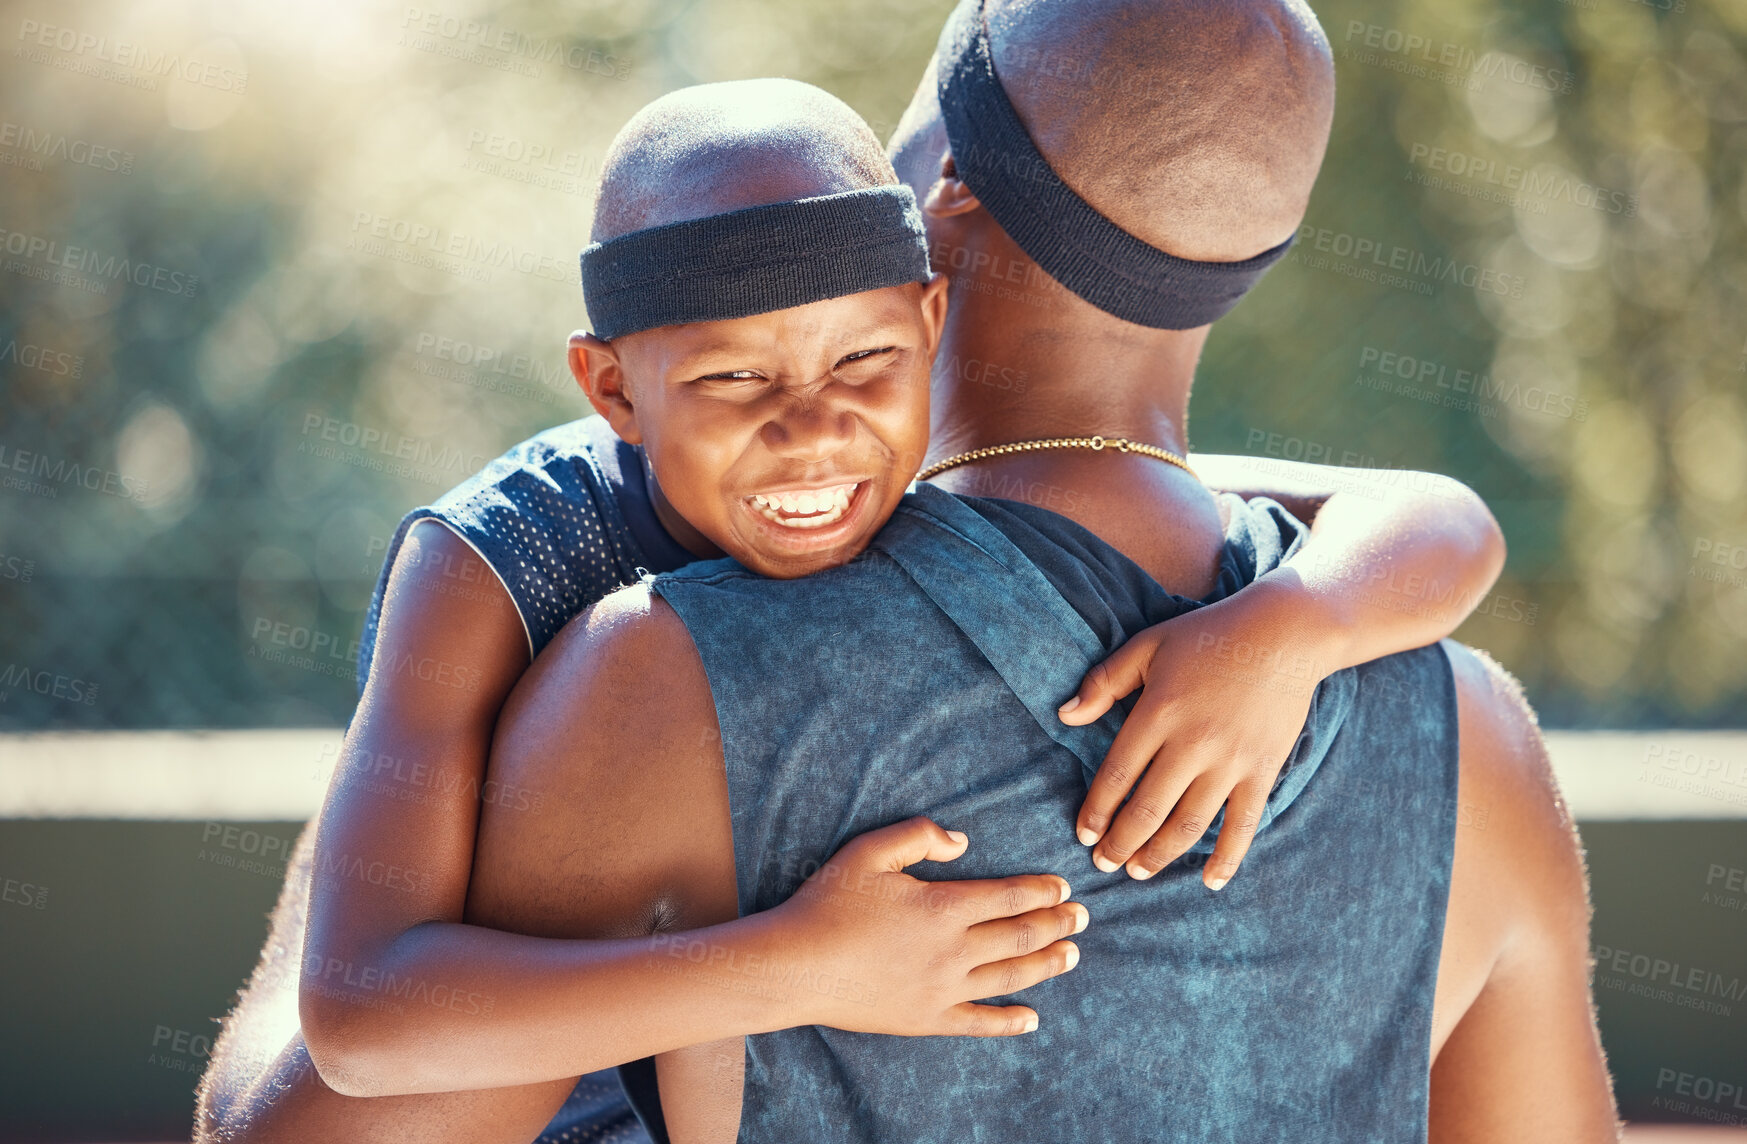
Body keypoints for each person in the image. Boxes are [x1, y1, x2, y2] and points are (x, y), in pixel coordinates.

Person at [198, 38, 1510, 1144]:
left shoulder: (916, 474)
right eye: (730, 384)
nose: (813, 436)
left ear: (929, 324)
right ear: (611, 392)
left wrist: (1283, 632)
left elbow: (1433, 514)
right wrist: (802, 964)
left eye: (865, 364)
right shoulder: (505, 553)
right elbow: (365, 1026)